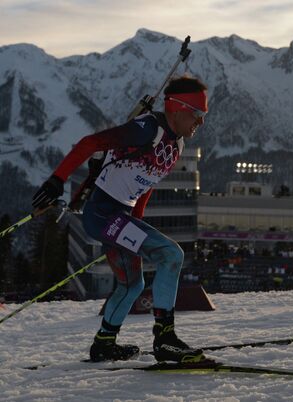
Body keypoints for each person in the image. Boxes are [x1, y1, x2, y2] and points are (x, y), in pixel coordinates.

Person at [31, 76, 210, 363]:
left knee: (132, 285)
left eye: (204, 115)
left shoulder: (176, 147)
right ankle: (165, 339)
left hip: (118, 218)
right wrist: (56, 181)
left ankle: (104, 343)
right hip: (103, 214)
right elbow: (90, 142)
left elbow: (146, 185)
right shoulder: (146, 128)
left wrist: (136, 225)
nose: (201, 122)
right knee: (171, 254)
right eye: (198, 113)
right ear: (177, 108)